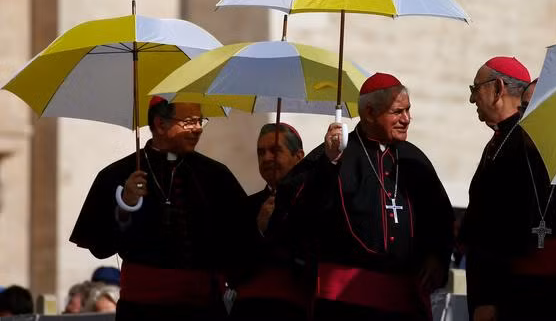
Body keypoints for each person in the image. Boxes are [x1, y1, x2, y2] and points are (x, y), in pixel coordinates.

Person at [291, 72, 454, 321]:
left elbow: (441, 217)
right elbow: (302, 212)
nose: (407, 119)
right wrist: (330, 162)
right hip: (345, 305)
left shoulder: (414, 159)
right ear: (369, 113)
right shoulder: (334, 155)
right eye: (397, 112)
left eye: (408, 110)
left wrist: (436, 255)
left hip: (403, 302)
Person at [69, 96, 247, 321]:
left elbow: (240, 239)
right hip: (142, 309)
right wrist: (126, 203)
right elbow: (101, 247)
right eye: (190, 122)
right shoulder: (117, 174)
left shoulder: (216, 175)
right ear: (161, 125)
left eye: (201, 121)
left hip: (203, 310)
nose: (199, 129)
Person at [459, 57, 556, 321]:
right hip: (520, 292)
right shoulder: (502, 145)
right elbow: (488, 229)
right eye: (524, 109)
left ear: (498, 88)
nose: (525, 118)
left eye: (475, 88)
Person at [230, 122, 310, 321]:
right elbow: (232, 265)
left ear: (298, 157)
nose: (266, 158)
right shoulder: (245, 206)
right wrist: (260, 230)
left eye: (275, 150)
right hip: (250, 310)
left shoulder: (313, 203)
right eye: (261, 152)